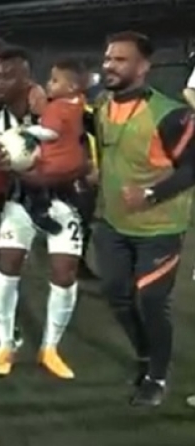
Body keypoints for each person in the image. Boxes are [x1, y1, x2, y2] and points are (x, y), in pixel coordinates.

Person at [91, 31, 195, 407]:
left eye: (120, 59)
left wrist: (150, 194)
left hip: (160, 227)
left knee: (151, 300)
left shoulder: (171, 114)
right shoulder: (102, 105)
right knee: (116, 296)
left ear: (143, 66)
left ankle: (157, 376)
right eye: (108, 58)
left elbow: (191, 168)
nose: (110, 65)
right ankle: (145, 355)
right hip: (113, 223)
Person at [0, 46, 83, 379]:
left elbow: (81, 159)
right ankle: (6, 345)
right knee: (7, 265)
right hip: (18, 202)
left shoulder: (53, 110)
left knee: (64, 273)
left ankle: (50, 348)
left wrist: (46, 173)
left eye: (8, 76)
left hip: (61, 200)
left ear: (28, 79)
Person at [20, 57, 89, 234]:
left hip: (54, 164)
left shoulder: (56, 107)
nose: (49, 84)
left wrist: (30, 130)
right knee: (66, 188)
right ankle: (79, 211)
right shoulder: (79, 103)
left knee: (28, 177)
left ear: (71, 87)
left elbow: (51, 133)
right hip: (75, 162)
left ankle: (40, 212)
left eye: (55, 80)